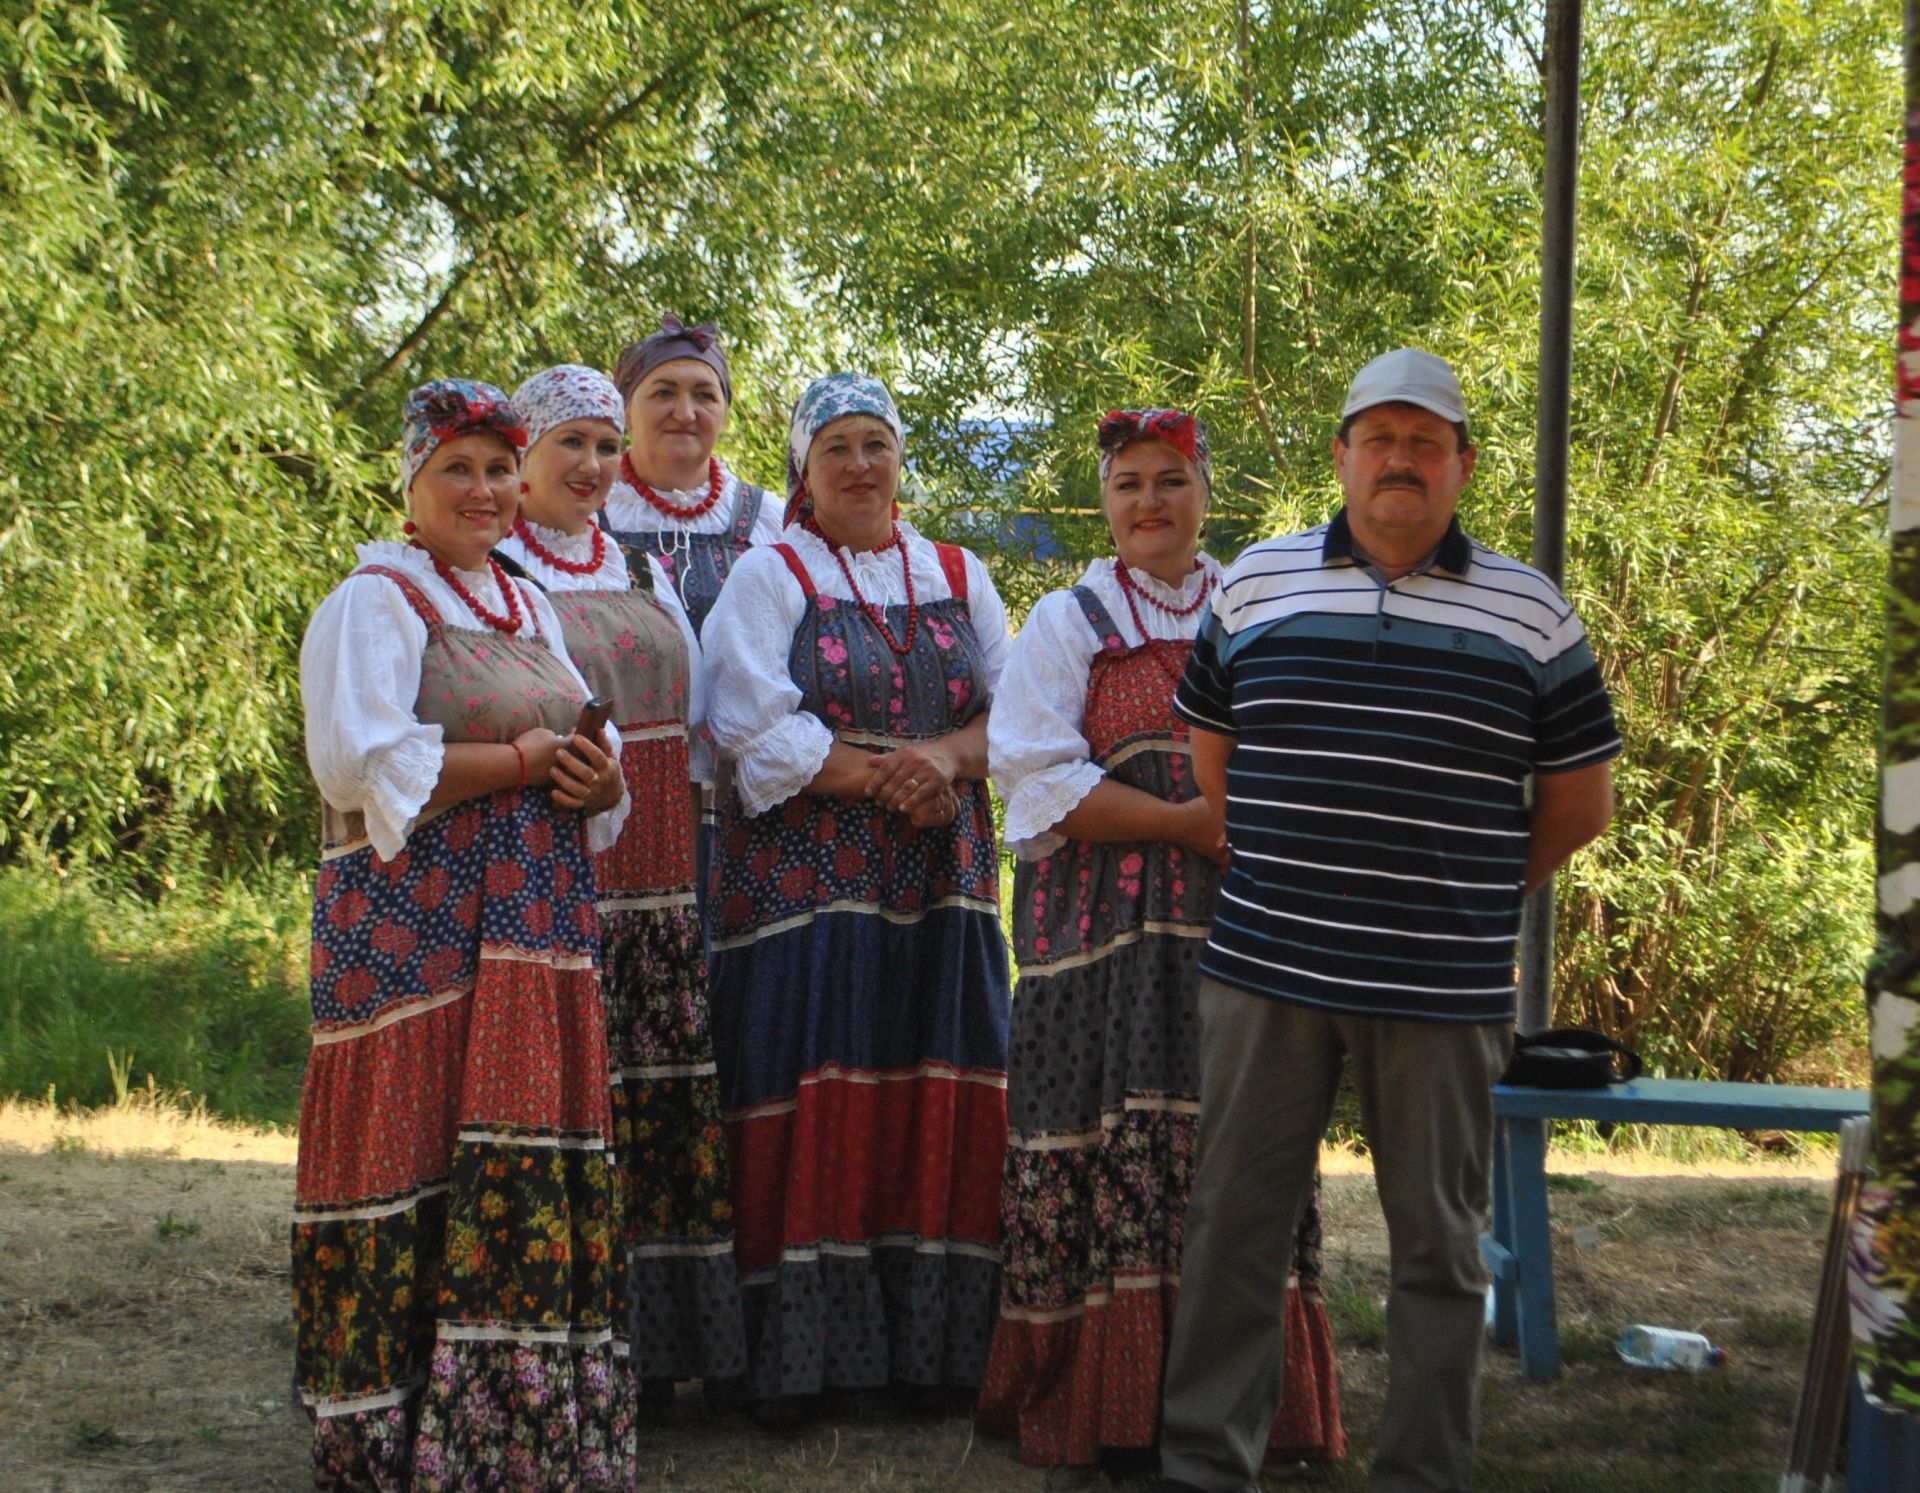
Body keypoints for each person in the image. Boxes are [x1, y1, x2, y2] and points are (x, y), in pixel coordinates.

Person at [1148, 349, 1621, 1493]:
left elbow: (1580, 799)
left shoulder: (1532, 607)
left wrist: (1462, 893)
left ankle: (1424, 1472)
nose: (1399, 459)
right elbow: (1213, 757)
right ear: (1342, 455)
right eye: (1379, 436)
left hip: (1441, 985)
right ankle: (1208, 1464)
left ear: (1461, 463)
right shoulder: (1256, 582)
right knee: (1234, 1230)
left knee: (1441, 1248)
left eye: (1425, 440)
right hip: (1266, 965)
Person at [977, 409, 1345, 1472]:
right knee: (1105, 1145)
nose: (1151, 502)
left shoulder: (1258, 606)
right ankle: (1114, 1406)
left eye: (1171, 480)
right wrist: (1185, 821)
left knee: (1243, 1149)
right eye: (1130, 483)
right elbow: (1037, 777)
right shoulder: (1067, 617)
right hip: (1101, 944)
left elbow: (1307, 745)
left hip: (1240, 933)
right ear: (1106, 501)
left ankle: (1250, 1409)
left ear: (1205, 493)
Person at [293, 379, 633, 1488]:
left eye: (498, 468)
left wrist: (593, 774)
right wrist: (533, 762)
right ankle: (396, 1435)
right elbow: (362, 765)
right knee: (414, 1151)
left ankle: (513, 1433)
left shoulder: (528, 606)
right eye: (459, 469)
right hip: (412, 939)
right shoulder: (375, 600)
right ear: (413, 485)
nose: (485, 491)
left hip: (530, 936)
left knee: (512, 1147)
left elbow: (596, 757)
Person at [700, 372, 1013, 1421]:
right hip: (813, 884)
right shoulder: (770, 571)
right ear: (803, 466)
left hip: (941, 878)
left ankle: (931, 1355)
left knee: (940, 1077)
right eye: (836, 446)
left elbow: (1015, 715)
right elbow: (747, 719)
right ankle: (805, 1362)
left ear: (900, 456)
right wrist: (901, 774)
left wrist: (942, 760)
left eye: (876, 442)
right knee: (822, 1080)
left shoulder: (960, 571)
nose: (860, 466)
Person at [496, 364, 746, 1409]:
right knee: (570, 1101)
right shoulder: (497, 569)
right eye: (573, 445)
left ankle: (666, 1348)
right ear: (524, 458)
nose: (594, 466)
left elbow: (694, 729)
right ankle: (558, 1343)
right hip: (552, 874)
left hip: (658, 876)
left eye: (606, 446)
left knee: (656, 1092)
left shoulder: (643, 568)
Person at [601, 315, 782, 632]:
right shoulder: (587, 512)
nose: (684, 413)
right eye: (664, 393)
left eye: (704, 395)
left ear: (724, 413)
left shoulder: (768, 520)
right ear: (626, 411)